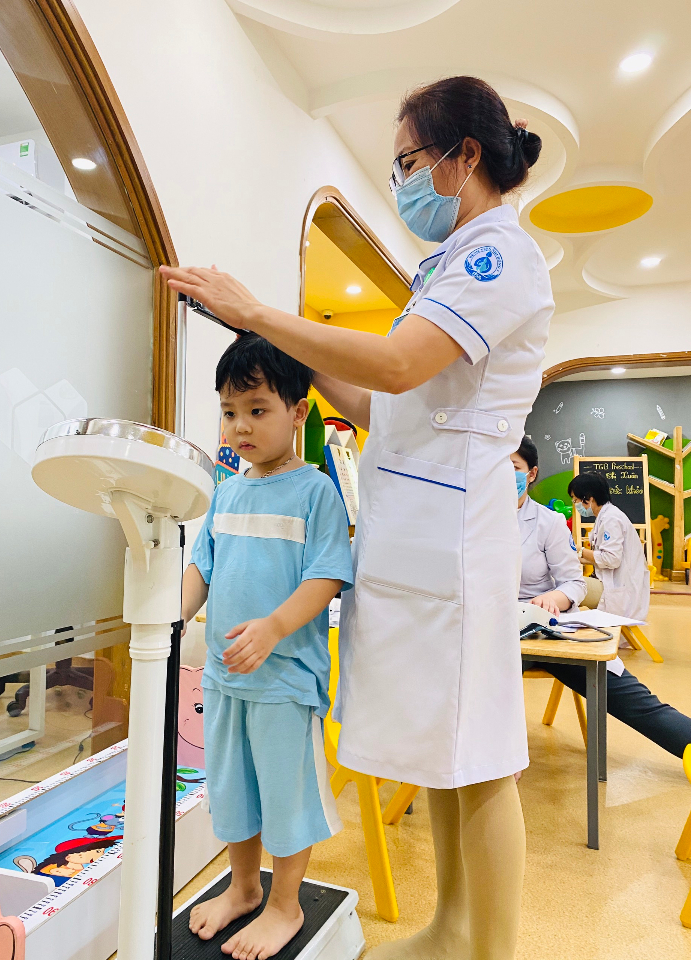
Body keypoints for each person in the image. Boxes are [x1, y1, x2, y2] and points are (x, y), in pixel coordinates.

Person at [162, 75, 553, 960]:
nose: (403, 179)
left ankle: (487, 949)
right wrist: (281, 349)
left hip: (457, 547)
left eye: (409, 161)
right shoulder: (445, 266)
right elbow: (387, 405)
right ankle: (450, 928)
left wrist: (260, 311)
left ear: (465, 157)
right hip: (416, 540)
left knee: (481, 757)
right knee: (444, 754)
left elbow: (398, 365)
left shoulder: (499, 257)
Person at [180, 335, 353, 959]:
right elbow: (202, 566)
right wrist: (170, 621)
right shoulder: (226, 491)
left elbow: (327, 575)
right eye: (230, 412)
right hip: (225, 677)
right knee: (233, 790)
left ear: (297, 413)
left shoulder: (316, 492)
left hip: (284, 679)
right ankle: (244, 887)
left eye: (257, 410)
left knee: (285, 794)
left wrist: (275, 627)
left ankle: (285, 904)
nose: (241, 426)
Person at [515, 437, 691, 758]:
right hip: (496, 636)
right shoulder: (470, 521)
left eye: (512, 467)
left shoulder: (549, 522)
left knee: (626, 694)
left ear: (531, 473)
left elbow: (574, 582)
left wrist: (555, 596)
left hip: (547, 628)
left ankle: (686, 738)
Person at [568, 470, 650, 623]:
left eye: (575, 500)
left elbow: (610, 559)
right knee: (566, 583)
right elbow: (600, 558)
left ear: (589, 499)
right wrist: (573, 556)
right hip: (613, 583)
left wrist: (580, 551)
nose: (575, 505)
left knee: (567, 586)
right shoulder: (606, 516)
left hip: (619, 591)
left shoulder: (611, 519)